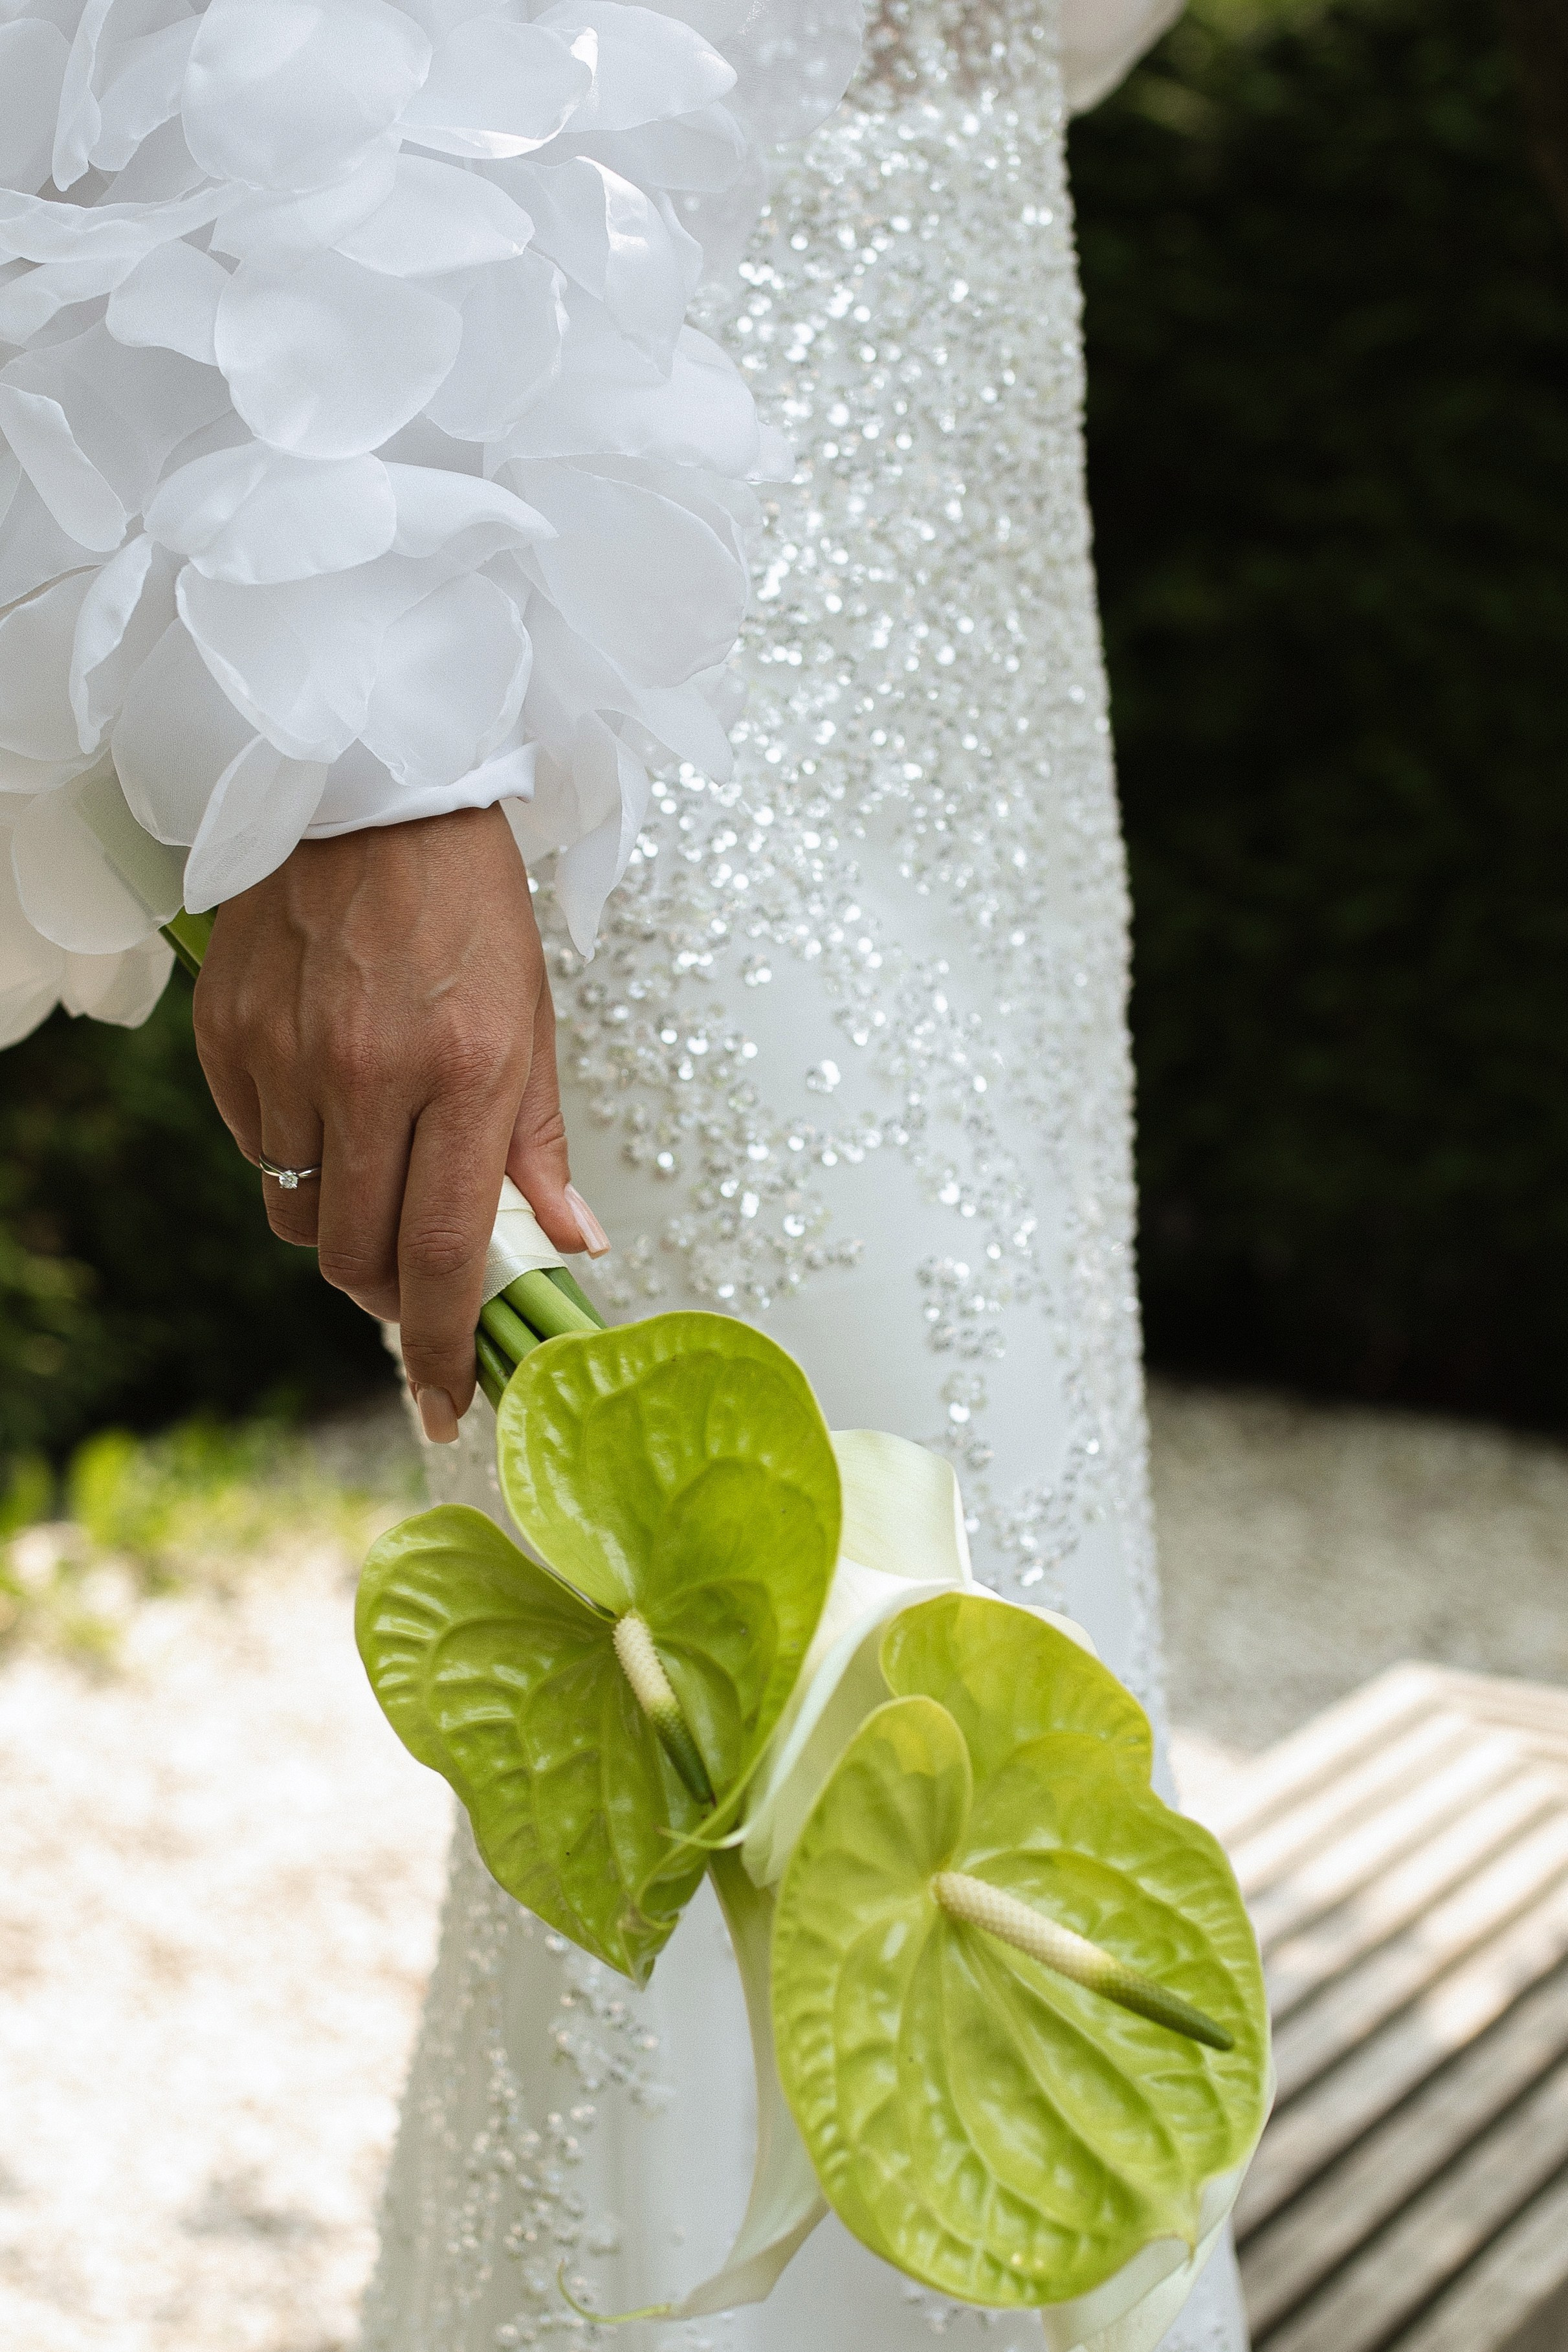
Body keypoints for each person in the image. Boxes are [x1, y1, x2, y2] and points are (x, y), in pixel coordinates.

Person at [0, 0, 1244, 2344]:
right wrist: (367, 744)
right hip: (579, 456)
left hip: (951, 400)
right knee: (765, 1659)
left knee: (1006, 1557)